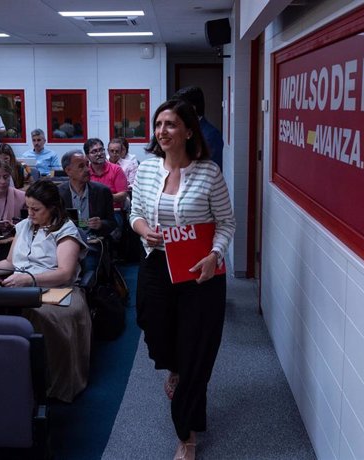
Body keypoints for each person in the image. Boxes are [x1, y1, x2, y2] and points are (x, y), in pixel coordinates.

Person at [130, 99, 235, 460]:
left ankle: (186, 435)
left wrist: (215, 255)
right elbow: (136, 213)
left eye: (171, 124)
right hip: (157, 264)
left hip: (199, 271)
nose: (162, 131)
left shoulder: (209, 173)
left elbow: (226, 223)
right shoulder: (145, 170)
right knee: (154, 330)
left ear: (189, 131)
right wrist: (145, 230)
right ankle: (173, 366)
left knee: (197, 351)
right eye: (158, 124)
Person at [0, 179, 91, 402]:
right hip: (20, 283)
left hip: (57, 288)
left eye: (36, 209)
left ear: (53, 208)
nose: (30, 214)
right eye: (28, 208)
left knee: (42, 315)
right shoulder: (25, 225)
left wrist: (30, 279)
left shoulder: (66, 230)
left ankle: (51, 385)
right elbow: (9, 263)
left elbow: (64, 273)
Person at [58, 150, 116, 238]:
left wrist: (101, 224)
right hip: (67, 241)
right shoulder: (58, 193)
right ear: (68, 171)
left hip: (95, 241)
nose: (87, 169)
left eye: (87, 164)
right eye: (81, 166)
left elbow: (112, 223)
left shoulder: (103, 191)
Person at [172, 86, 224, 171]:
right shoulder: (185, 130)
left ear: (193, 108)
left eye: (180, 108)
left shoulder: (211, 135)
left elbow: (212, 171)